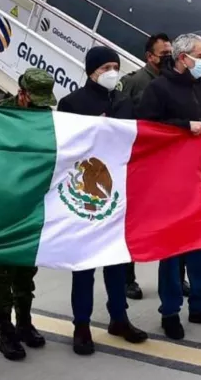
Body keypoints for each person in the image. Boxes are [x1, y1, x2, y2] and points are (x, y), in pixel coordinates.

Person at [136, 33, 201, 340]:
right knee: (173, 250)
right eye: (200, 56)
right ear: (182, 58)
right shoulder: (158, 89)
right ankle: (170, 311)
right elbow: (145, 130)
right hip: (173, 185)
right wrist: (180, 126)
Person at [58, 46, 148, 355]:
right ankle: (81, 324)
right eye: (106, 66)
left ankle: (118, 317)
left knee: (117, 261)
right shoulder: (71, 103)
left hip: (118, 192)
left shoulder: (123, 102)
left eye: (116, 66)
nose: (112, 71)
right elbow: (66, 149)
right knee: (84, 264)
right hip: (85, 195)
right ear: (91, 70)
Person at [0, 69, 55, 361]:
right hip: (1, 205)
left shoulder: (47, 118)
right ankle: (5, 330)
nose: (40, 107)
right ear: (22, 94)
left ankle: (25, 322)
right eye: (35, 101)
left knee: (26, 266)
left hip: (31, 204)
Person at [115, 33, 177, 301]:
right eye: (163, 54)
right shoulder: (133, 83)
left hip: (169, 165)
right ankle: (128, 278)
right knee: (133, 224)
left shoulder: (176, 82)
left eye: (170, 53)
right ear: (149, 56)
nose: (168, 58)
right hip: (141, 164)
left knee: (174, 224)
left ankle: (176, 277)